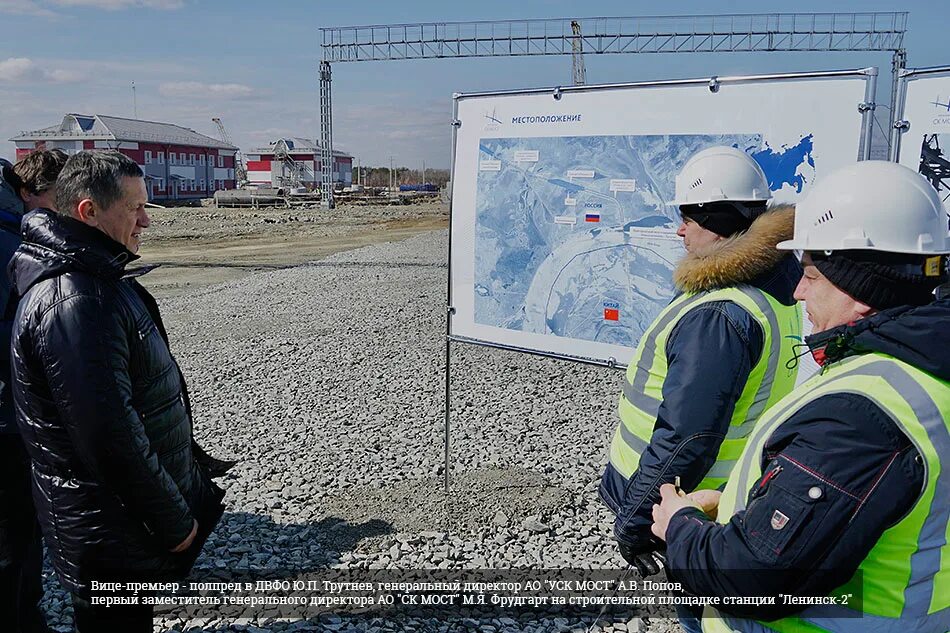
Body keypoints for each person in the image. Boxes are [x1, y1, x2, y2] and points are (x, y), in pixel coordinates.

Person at [651, 160, 950, 633]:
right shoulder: (925, 370)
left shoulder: (864, 414)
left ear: (857, 281)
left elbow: (755, 578)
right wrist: (736, 498)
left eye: (810, 274)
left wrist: (680, 525)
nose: (796, 291)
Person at [9, 151, 225, 632]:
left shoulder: (98, 275)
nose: (146, 221)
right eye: (135, 209)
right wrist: (174, 524)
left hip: (118, 520)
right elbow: (110, 437)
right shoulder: (76, 298)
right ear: (88, 212)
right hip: (107, 525)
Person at [599, 146, 804, 579]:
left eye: (688, 219)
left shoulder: (719, 316)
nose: (679, 231)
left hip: (688, 504)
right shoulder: (773, 284)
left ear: (718, 224)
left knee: (703, 611)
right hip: (720, 495)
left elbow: (686, 437)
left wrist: (636, 521)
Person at [0, 149, 67, 633]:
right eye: (54, 199)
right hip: (7, 423)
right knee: (15, 531)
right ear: (27, 194)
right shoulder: (11, 243)